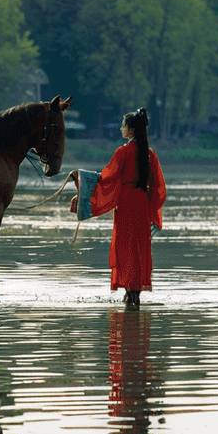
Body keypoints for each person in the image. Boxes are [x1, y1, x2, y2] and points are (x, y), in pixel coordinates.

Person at [78, 108, 166, 307]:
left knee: (126, 249)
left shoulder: (123, 152)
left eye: (123, 125)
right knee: (139, 249)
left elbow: (106, 177)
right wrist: (151, 208)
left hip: (126, 204)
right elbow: (159, 187)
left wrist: (83, 178)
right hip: (142, 205)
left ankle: (129, 292)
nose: (121, 128)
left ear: (132, 129)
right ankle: (135, 293)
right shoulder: (150, 154)